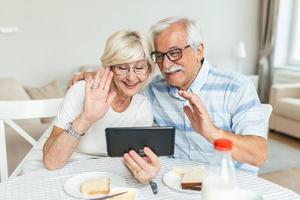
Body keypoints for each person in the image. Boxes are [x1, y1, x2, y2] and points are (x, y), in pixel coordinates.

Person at [69, 16, 267, 174]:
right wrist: (95, 76)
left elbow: (258, 155)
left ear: (199, 51)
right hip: (172, 184)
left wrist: (212, 133)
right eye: (160, 56)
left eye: (174, 52)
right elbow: (126, 82)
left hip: (227, 184)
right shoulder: (154, 89)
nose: (165, 64)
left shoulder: (236, 87)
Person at [41, 30, 160, 183]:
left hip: (105, 177)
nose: (131, 77)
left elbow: (136, 161)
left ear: (148, 70)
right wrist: (86, 118)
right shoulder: (81, 91)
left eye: (139, 67)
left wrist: (145, 170)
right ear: (109, 68)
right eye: (122, 68)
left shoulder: (141, 106)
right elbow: (51, 163)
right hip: (61, 172)